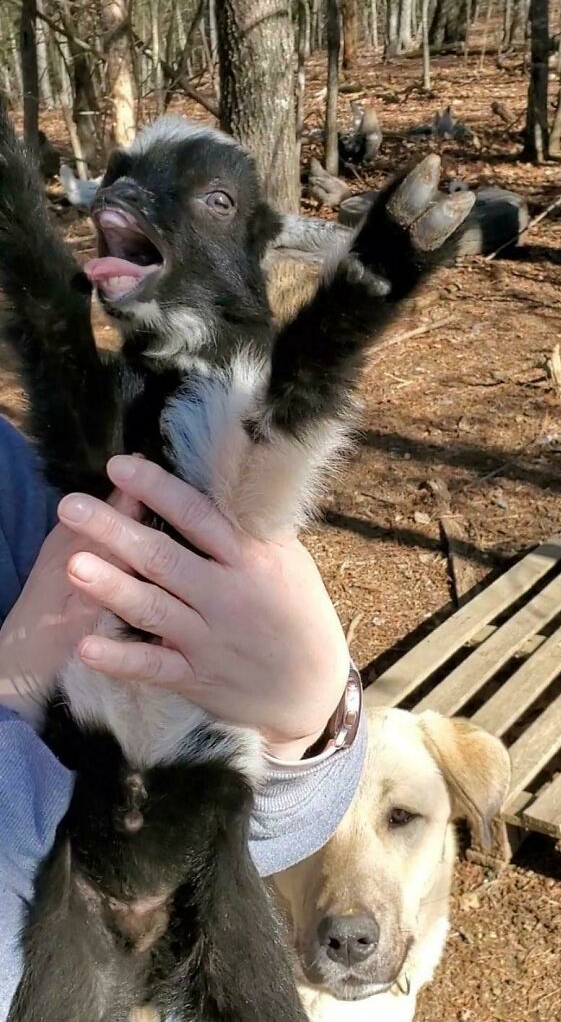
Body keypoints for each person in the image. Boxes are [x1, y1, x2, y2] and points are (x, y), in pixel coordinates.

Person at [0, 416, 363, 1016]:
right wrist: (11, 716)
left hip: (175, 850)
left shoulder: (13, 472)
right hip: (70, 915)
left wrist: (305, 732)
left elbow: (260, 837)